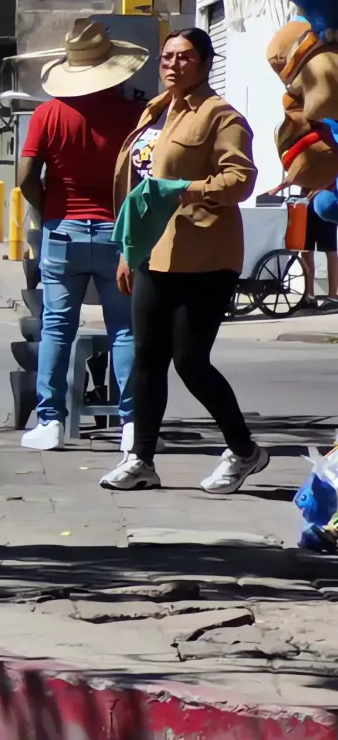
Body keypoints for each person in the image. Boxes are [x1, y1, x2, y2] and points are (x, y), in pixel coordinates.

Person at [103, 28, 265, 494]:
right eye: (167, 56)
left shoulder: (221, 116)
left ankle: (244, 451)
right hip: (152, 253)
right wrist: (128, 250)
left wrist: (184, 191)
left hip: (205, 255)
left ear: (206, 63)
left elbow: (240, 180)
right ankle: (140, 460)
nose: (173, 64)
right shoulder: (156, 110)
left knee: (190, 360)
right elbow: (139, 184)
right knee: (147, 357)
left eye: (185, 57)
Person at [13, 18, 147, 453]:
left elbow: (26, 176)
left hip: (63, 232)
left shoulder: (47, 114)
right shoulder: (134, 115)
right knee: (124, 329)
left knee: (57, 328)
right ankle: (133, 425)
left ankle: (50, 422)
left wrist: (49, 207)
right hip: (117, 233)